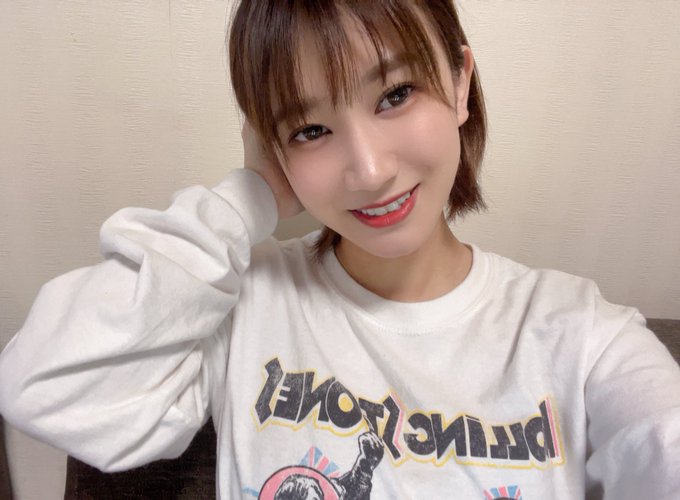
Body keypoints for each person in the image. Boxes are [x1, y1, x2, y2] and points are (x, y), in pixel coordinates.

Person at [0, 1, 678, 499]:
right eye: (311, 129)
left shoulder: (581, 335)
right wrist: (250, 197)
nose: (370, 170)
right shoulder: (244, 306)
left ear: (460, 83)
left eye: (396, 94)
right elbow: (42, 386)